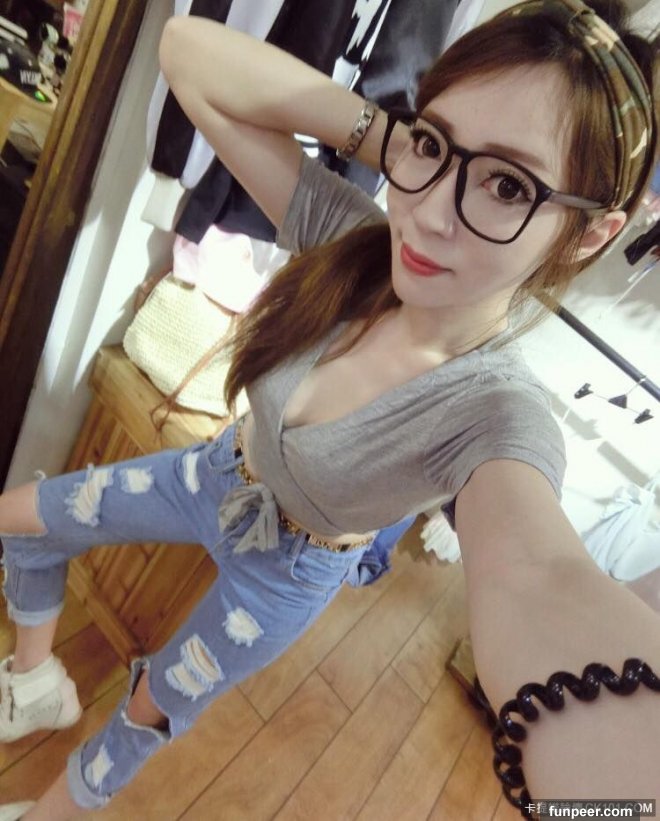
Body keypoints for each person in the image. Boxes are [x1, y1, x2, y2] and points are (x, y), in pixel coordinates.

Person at [0, 0, 658, 817]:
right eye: (435, 145)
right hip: (214, 474)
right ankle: (36, 683)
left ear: (590, 235)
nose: (430, 213)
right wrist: (400, 143)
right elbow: (188, 51)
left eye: (506, 184)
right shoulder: (356, 241)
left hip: (286, 572)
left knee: (152, 705)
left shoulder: (493, 410)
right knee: (22, 519)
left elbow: (539, 572)